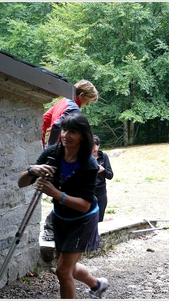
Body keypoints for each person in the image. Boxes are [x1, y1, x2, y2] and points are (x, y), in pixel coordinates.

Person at [18, 113, 109, 299]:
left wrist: (55, 193)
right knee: (67, 266)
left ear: (83, 136)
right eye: (65, 130)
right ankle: (97, 284)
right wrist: (31, 170)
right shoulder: (52, 153)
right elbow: (21, 183)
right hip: (61, 217)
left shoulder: (89, 165)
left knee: (62, 270)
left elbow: (84, 205)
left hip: (83, 220)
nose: (66, 135)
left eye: (73, 131)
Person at [42, 79, 99, 240]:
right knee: (67, 192)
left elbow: (45, 120)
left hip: (58, 154)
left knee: (59, 191)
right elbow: (57, 126)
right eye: (87, 101)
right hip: (65, 155)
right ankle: (52, 227)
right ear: (81, 95)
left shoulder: (62, 102)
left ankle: (54, 227)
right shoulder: (73, 108)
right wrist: (52, 150)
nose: (86, 105)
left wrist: (43, 143)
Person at [92, 135, 114, 222]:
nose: (92, 150)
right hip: (89, 192)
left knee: (99, 220)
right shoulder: (85, 157)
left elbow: (110, 175)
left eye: (94, 147)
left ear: (98, 145)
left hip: (101, 192)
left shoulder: (104, 156)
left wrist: (103, 170)